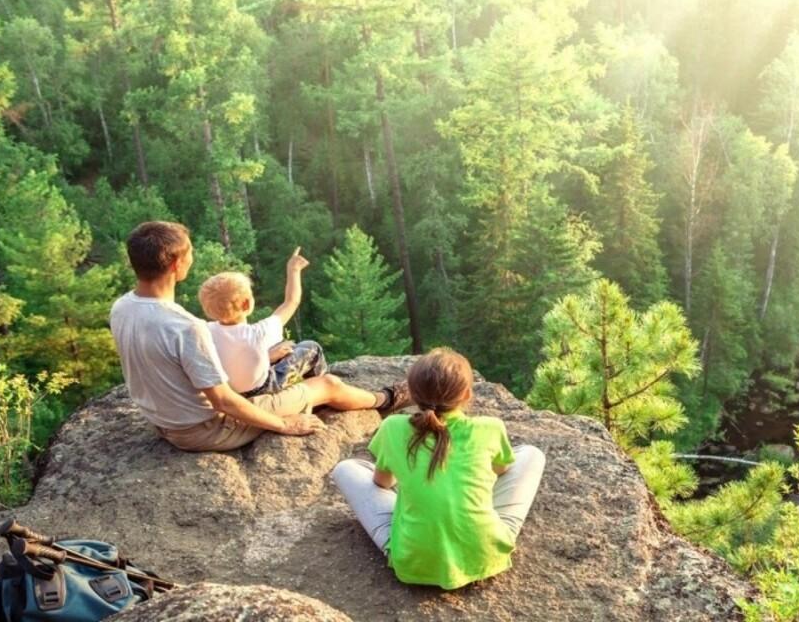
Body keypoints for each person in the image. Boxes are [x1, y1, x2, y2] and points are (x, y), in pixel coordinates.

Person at [109, 221, 409, 452]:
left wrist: (263, 358)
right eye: (190, 252)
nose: (192, 257)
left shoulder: (122, 307)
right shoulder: (185, 327)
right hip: (206, 429)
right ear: (176, 265)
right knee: (328, 384)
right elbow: (224, 402)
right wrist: (283, 424)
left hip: (163, 421)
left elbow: (180, 368)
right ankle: (386, 399)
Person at [330, 348, 546, 590]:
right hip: (485, 552)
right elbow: (503, 469)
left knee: (346, 469)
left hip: (413, 560)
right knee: (531, 454)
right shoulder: (490, 428)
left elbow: (382, 483)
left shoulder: (392, 427)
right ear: (467, 394)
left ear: (412, 394)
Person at [198, 247, 327, 398]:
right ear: (246, 304)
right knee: (311, 348)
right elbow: (291, 302)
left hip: (228, 392)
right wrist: (294, 270)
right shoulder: (259, 333)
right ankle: (323, 393)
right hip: (262, 389)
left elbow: (233, 356)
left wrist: (267, 357)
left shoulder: (205, 331)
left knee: (275, 352)